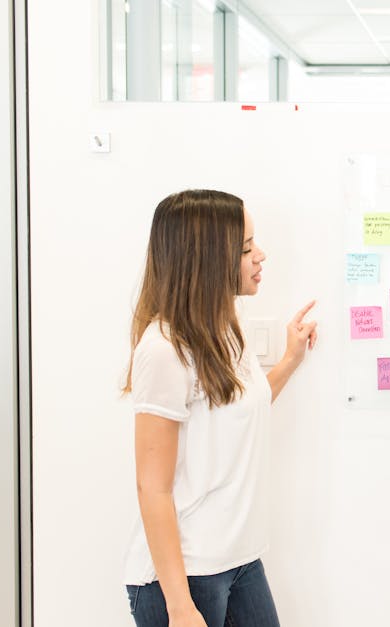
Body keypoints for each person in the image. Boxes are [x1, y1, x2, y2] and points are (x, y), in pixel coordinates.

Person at [121, 189, 318, 626]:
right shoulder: (164, 350)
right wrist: (180, 606)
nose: (260, 255)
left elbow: (242, 406)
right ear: (208, 259)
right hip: (184, 574)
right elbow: (151, 488)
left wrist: (289, 359)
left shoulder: (228, 327)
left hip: (241, 561)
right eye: (247, 248)